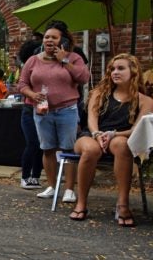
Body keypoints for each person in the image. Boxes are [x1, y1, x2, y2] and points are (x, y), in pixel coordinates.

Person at [69, 54, 153, 226]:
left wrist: (113, 134)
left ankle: (123, 204)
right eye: (112, 69)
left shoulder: (145, 101)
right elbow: (91, 120)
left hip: (120, 136)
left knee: (123, 145)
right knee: (91, 149)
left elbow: (137, 130)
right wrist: (98, 134)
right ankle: (81, 202)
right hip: (90, 135)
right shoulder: (99, 94)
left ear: (134, 72)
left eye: (121, 68)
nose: (115, 72)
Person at [17, 21, 90, 203]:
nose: (49, 40)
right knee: (47, 149)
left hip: (67, 110)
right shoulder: (33, 60)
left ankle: (69, 190)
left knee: (68, 149)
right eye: (47, 37)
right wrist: (32, 95)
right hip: (42, 111)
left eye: (54, 37)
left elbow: (84, 78)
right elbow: (22, 84)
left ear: (62, 40)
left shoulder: (73, 58)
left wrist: (64, 60)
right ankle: (51, 186)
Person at [17, 32, 45, 190]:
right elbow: (22, 86)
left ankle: (36, 176)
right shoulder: (30, 65)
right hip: (30, 107)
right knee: (32, 143)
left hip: (43, 106)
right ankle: (26, 176)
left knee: (42, 144)